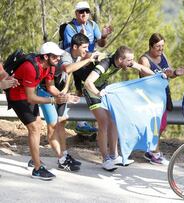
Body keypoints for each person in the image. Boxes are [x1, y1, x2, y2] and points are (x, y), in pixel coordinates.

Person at [32, 33, 99, 171]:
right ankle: (60, 159)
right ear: (75, 47)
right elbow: (68, 69)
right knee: (52, 126)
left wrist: (66, 93)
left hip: (58, 91)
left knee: (61, 122)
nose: (86, 50)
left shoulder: (77, 55)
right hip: (45, 91)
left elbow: (67, 76)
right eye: (84, 47)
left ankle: (64, 155)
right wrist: (88, 60)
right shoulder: (65, 57)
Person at [6, 42, 72, 180]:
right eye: (55, 56)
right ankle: (37, 168)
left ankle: (34, 160)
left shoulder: (51, 67)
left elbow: (50, 88)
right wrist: (54, 101)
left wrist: (62, 96)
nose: (58, 59)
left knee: (37, 126)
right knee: (34, 128)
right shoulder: (31, 67)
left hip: (28, 94)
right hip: (17, 95)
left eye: (59, 56)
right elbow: (31, 98)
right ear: (46, 56)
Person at [84, 45, 154, 171]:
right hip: (91, 90)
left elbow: (142, 68)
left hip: (103, 89)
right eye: (129, 61)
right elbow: (88, 82)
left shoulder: (123, 62)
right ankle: (105, 159)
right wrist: (98, 93)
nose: (131, 63)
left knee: (114, 120)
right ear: (121, 59)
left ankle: (114, 156)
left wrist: (157, 76)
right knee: (103, 122)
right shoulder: (105, 64)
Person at [63, 1, 113, 134]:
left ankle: (85, 122)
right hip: (78, 62)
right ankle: (82, 122)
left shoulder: (92, 25)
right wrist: (82, 37)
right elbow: (72, 49)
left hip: (90, 61)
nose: (84, 14)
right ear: (76, 13)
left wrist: (103, 36)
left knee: (94, 84)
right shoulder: (70, 28)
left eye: (87, 11)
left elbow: (101, 43)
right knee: (86, 87)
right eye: (81, 11)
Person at [139, 33, 184, 165]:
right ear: (150, 46)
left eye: (162, 46)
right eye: (157, 47)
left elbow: (168, 73)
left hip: (163, 95)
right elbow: (145, 79)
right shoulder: (144, 60)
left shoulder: (163, 56)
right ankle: (154, 152)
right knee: (156, 125)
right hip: (150, 97)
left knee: (162, 125)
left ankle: (150, 150)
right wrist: (162, 75)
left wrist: (175, 73)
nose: (160, 49)